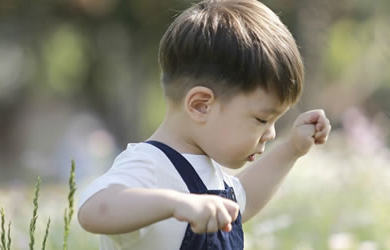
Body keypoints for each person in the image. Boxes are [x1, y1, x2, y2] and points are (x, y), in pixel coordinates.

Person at [77, 0, 331, 249]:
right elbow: (93, 209)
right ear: (201, 106)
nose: (270, 133)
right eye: (262, 119)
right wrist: (176, 204)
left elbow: (245, 199)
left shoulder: (209, 172)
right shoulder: (149, 163)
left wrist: (292, 150)